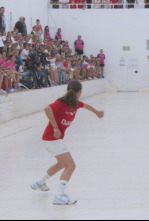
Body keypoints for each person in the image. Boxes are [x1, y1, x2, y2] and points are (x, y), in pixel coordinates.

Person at [31, 80, 104, 205]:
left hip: (52, 140)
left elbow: (86, 105)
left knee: (61, 164)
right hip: (51, 138)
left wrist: (97, 112)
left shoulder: (75, 103)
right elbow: (47, 108)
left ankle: (39, 183)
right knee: (70, 165)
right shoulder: (61, 102)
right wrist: (55, 127)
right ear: (79, 92)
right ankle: (59, 196)